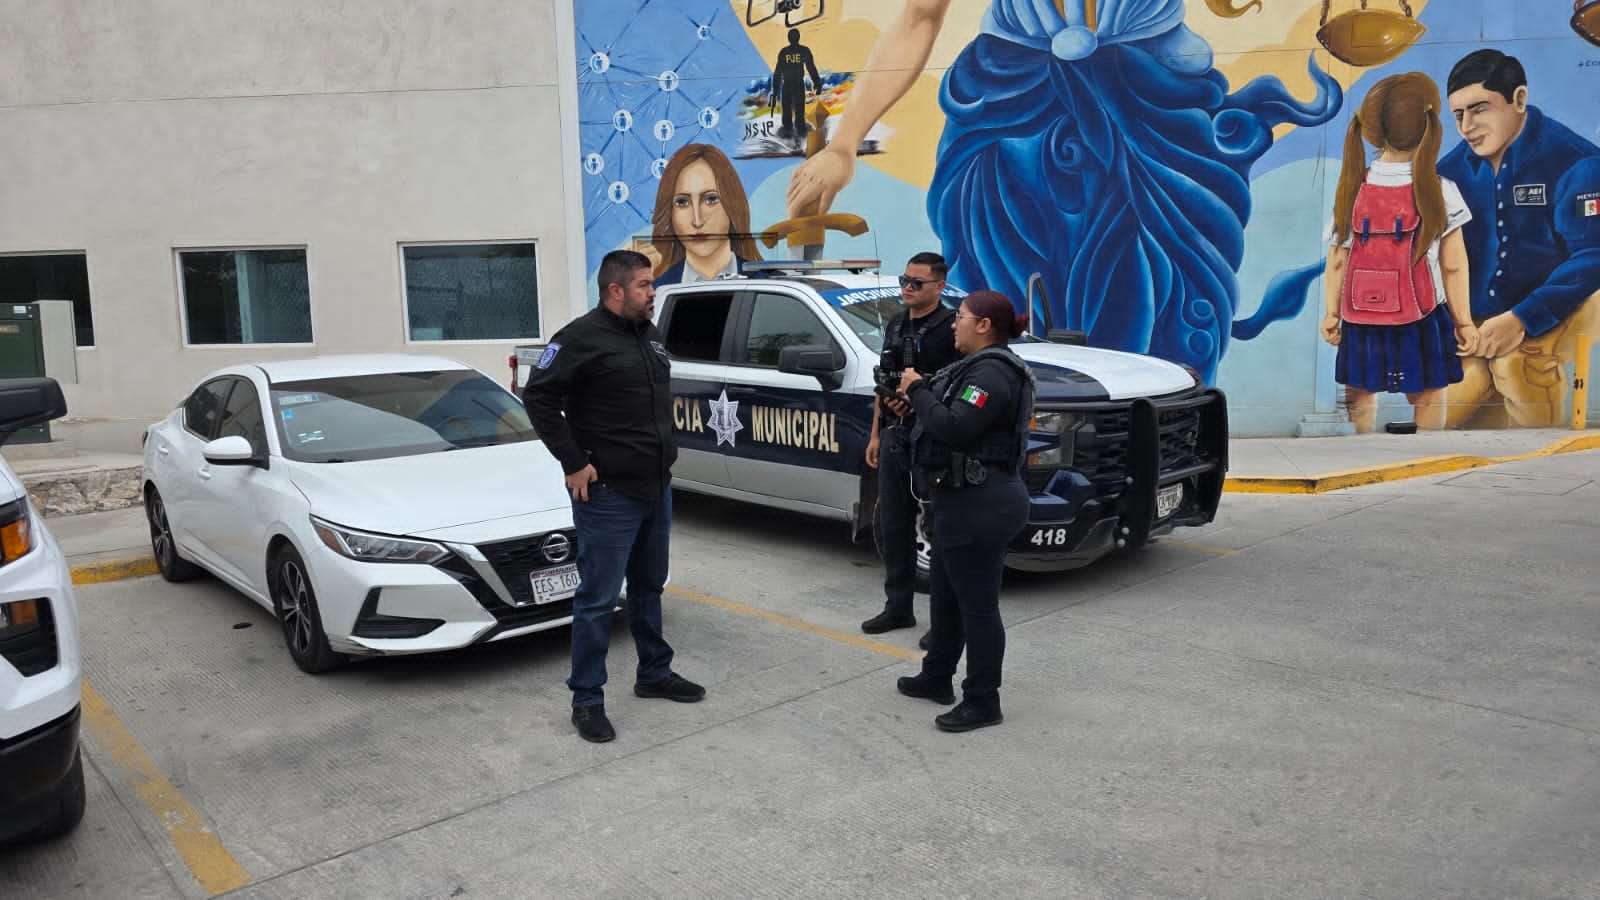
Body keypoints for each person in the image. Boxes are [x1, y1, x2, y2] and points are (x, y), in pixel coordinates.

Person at [782, 0, 1340, 382]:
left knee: (1165, 305)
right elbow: (918, 16)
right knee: (1003, 309)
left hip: (1152, 104)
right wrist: (843, 144)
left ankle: (1140, 448)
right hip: (1010, 112)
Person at [522, 250, 706, 743]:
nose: (652, 292)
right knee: (598, 600)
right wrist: (573, 461)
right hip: (609, 495)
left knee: (649, 586)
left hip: (655, 487)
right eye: (644, 285)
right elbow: (537, 397)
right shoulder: (578, 339)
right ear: (615, 290)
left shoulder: (649, 334)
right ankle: (587, 699)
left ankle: (654, 673)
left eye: (652, 284)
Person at [892, 290, 1034, 733]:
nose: (954, 324)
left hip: (982, 502)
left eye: (962, 317)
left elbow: (955, 427)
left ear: (984, 326)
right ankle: (937, 676)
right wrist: (915, 399)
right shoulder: (972, 368)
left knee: (978, 608)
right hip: (957, 499)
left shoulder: (991, 373)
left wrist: (916, 389)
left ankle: (983, 700)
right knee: (946, 596)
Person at [1436, 49, 1600, 428]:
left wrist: (1522, 318)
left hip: (1564, 305)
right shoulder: (1449, 172)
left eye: (1479, 109)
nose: (1466, 126)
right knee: (1451, 392)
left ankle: (1541, 454)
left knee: (1516, 366)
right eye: (1458, 115)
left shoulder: (1577, 162)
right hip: (1476, 321)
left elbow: (1592, 257)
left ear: (1519, 99)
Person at [1320, 72, 1478, 433]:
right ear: (1429, 127)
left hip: (1360, 317)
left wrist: (1332, 313)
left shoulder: (1352, 188)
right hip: (1421, 316)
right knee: (1427, 393)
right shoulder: (1440, 189)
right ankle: (1426, 450)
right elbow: (1453, 266)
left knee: (1359, 391)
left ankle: (1362, 448)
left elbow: (1338, 260)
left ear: (1373, 130)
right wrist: (1464, 322)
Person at [861, 253, 961, 645]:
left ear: (939, 286)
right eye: (904, 280)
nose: (907, 287)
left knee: (938, 529)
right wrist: (875, 434)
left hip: (932, 440)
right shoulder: (896, 323)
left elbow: (958, 390)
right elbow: (883, 382)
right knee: (893, 524)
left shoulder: (952, 329)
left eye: (917, 283)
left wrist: (917, 401)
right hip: (894, 436)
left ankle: (943, 622)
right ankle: (898, 607)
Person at [648, 144, 764, 286]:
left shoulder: (767, 283)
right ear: (670, 213)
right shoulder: (656, 290)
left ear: (733, 204)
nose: (697, 221)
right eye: (682, 202)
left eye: (711, 199)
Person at [771, 27, 824, 143]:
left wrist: (775, 91)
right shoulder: (804, 50)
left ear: (788, 38)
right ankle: (798, 136)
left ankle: (791, 136)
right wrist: (817, 83)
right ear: (798, 38)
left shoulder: (784, 52)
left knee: (788, 113)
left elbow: (777, 73)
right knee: (799, 112)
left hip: (788, 85)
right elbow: (811, 68)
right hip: (797, 84)